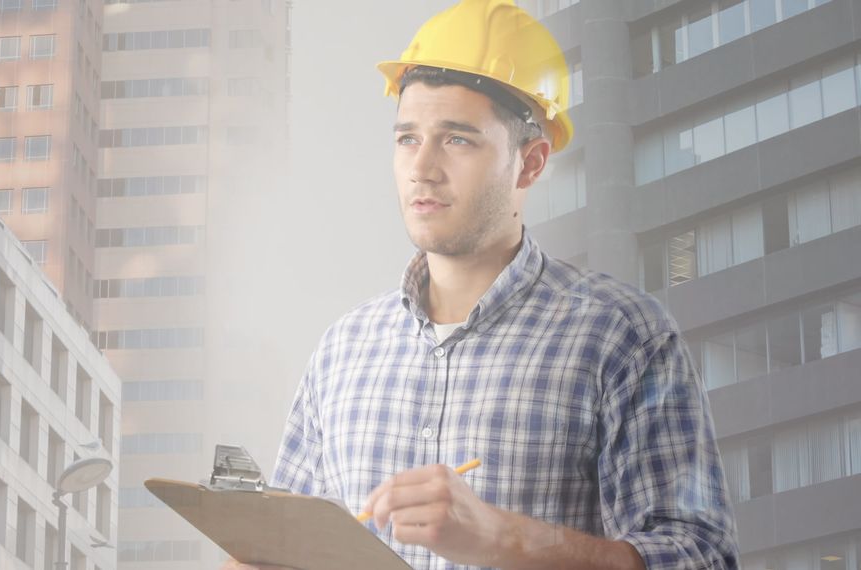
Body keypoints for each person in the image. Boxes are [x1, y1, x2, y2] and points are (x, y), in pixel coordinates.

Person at [226, 1, 739, 568]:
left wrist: (504, 538)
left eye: (457, 140)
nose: (422, 167)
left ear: (531, 164)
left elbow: (702, 557)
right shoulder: (341, 351)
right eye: (406, 139)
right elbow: (286, 550)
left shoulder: (621, 337)